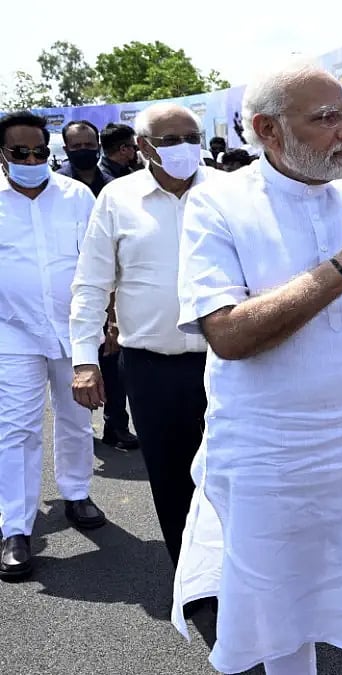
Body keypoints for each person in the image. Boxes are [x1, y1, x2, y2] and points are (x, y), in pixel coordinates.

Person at [169, 59, 342, 675]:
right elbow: (229, 334)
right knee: (278, 615)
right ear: (268, 130)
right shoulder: (217, 205)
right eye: (325, 118)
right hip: (271, 452)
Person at [69, 102, 213, 570]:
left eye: (191, 137)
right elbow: (92, 282)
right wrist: (85, 359)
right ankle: (192, 577)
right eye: (170, 141)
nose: (184, 149)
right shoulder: (117, 199)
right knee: (172, 476)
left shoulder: (230, 192)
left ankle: (245, 573)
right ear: (144, 147)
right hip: (153, 365)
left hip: (232, 359)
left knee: (241, 473)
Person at [0, 111, 106, 580]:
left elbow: (99, 264)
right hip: (12, 331)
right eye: (19, 152)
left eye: (39, 151)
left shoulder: (76, 196)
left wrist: (110, 320)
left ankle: (76, 494)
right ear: (3, 155)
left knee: (76, 417)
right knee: (17, 429)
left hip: (73, 329)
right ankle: (15, 528)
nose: (30, 159)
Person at [57, 120, 140, 453]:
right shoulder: (56, 187)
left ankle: (115, 425)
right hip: (63, 290)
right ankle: (75, 432)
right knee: (68, 367)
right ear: (66, 150)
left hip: (105, 288)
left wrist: (113, 311)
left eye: (88, 144)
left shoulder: (117, 185)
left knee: (111, 361)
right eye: (75, 147)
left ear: (98, 145)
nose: (83, 151)